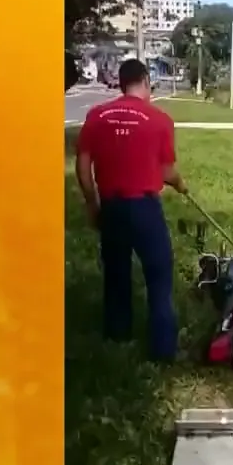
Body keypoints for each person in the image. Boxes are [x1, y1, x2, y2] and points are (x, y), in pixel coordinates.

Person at [75, 59, 188, 361]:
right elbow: (166, 171)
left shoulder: (96, 115)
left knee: (116, 272)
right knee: (159, 274)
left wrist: (91, 202)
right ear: (146, 81)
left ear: (121, 82)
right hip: (144, 208)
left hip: (111, 206)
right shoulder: (160, 119)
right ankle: (163, 348)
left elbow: (83, 164)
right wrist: (180, 184)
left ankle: (117, 334)